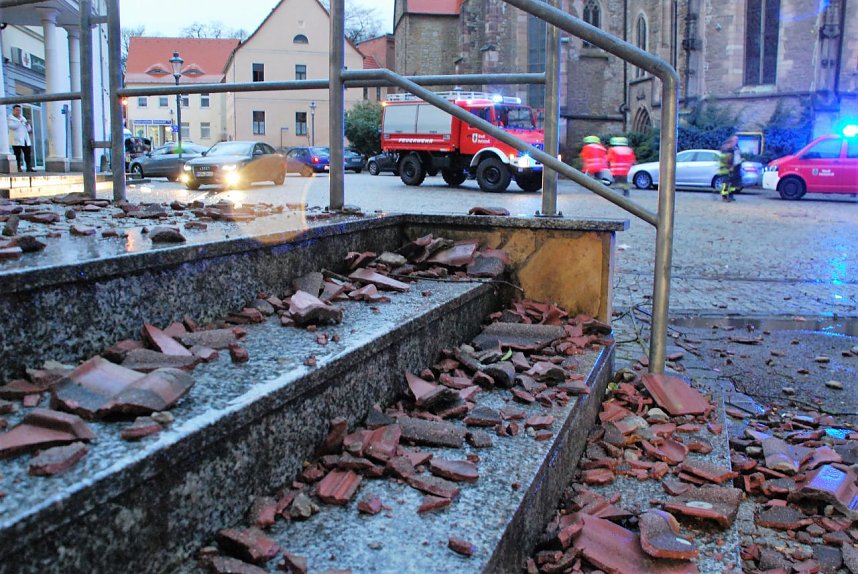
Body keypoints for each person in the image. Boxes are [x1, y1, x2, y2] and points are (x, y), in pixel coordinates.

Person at [7, 104, 35, 173]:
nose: (18, 112)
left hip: (25, 139)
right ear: (13, 110)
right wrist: (20, 122)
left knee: (27, 154)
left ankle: (29, 167)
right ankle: (18, 167)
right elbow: (12, 127)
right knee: (17, 154)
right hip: (16, 140)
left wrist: (27, 124)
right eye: (17, 110)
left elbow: (28, 129)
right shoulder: (10, 118)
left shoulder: (23, 118)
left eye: (19, 110)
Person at [717, 135, 742, 202]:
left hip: (735, 167)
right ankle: (724, 197)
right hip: (728, 168)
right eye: (735, 140)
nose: (736, 141)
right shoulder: (727, 149)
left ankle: (730, 196)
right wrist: (730, 166)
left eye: (737, 140)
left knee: (732, 183)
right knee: (726, 183)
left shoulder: (736, 148)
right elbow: (727, 159)